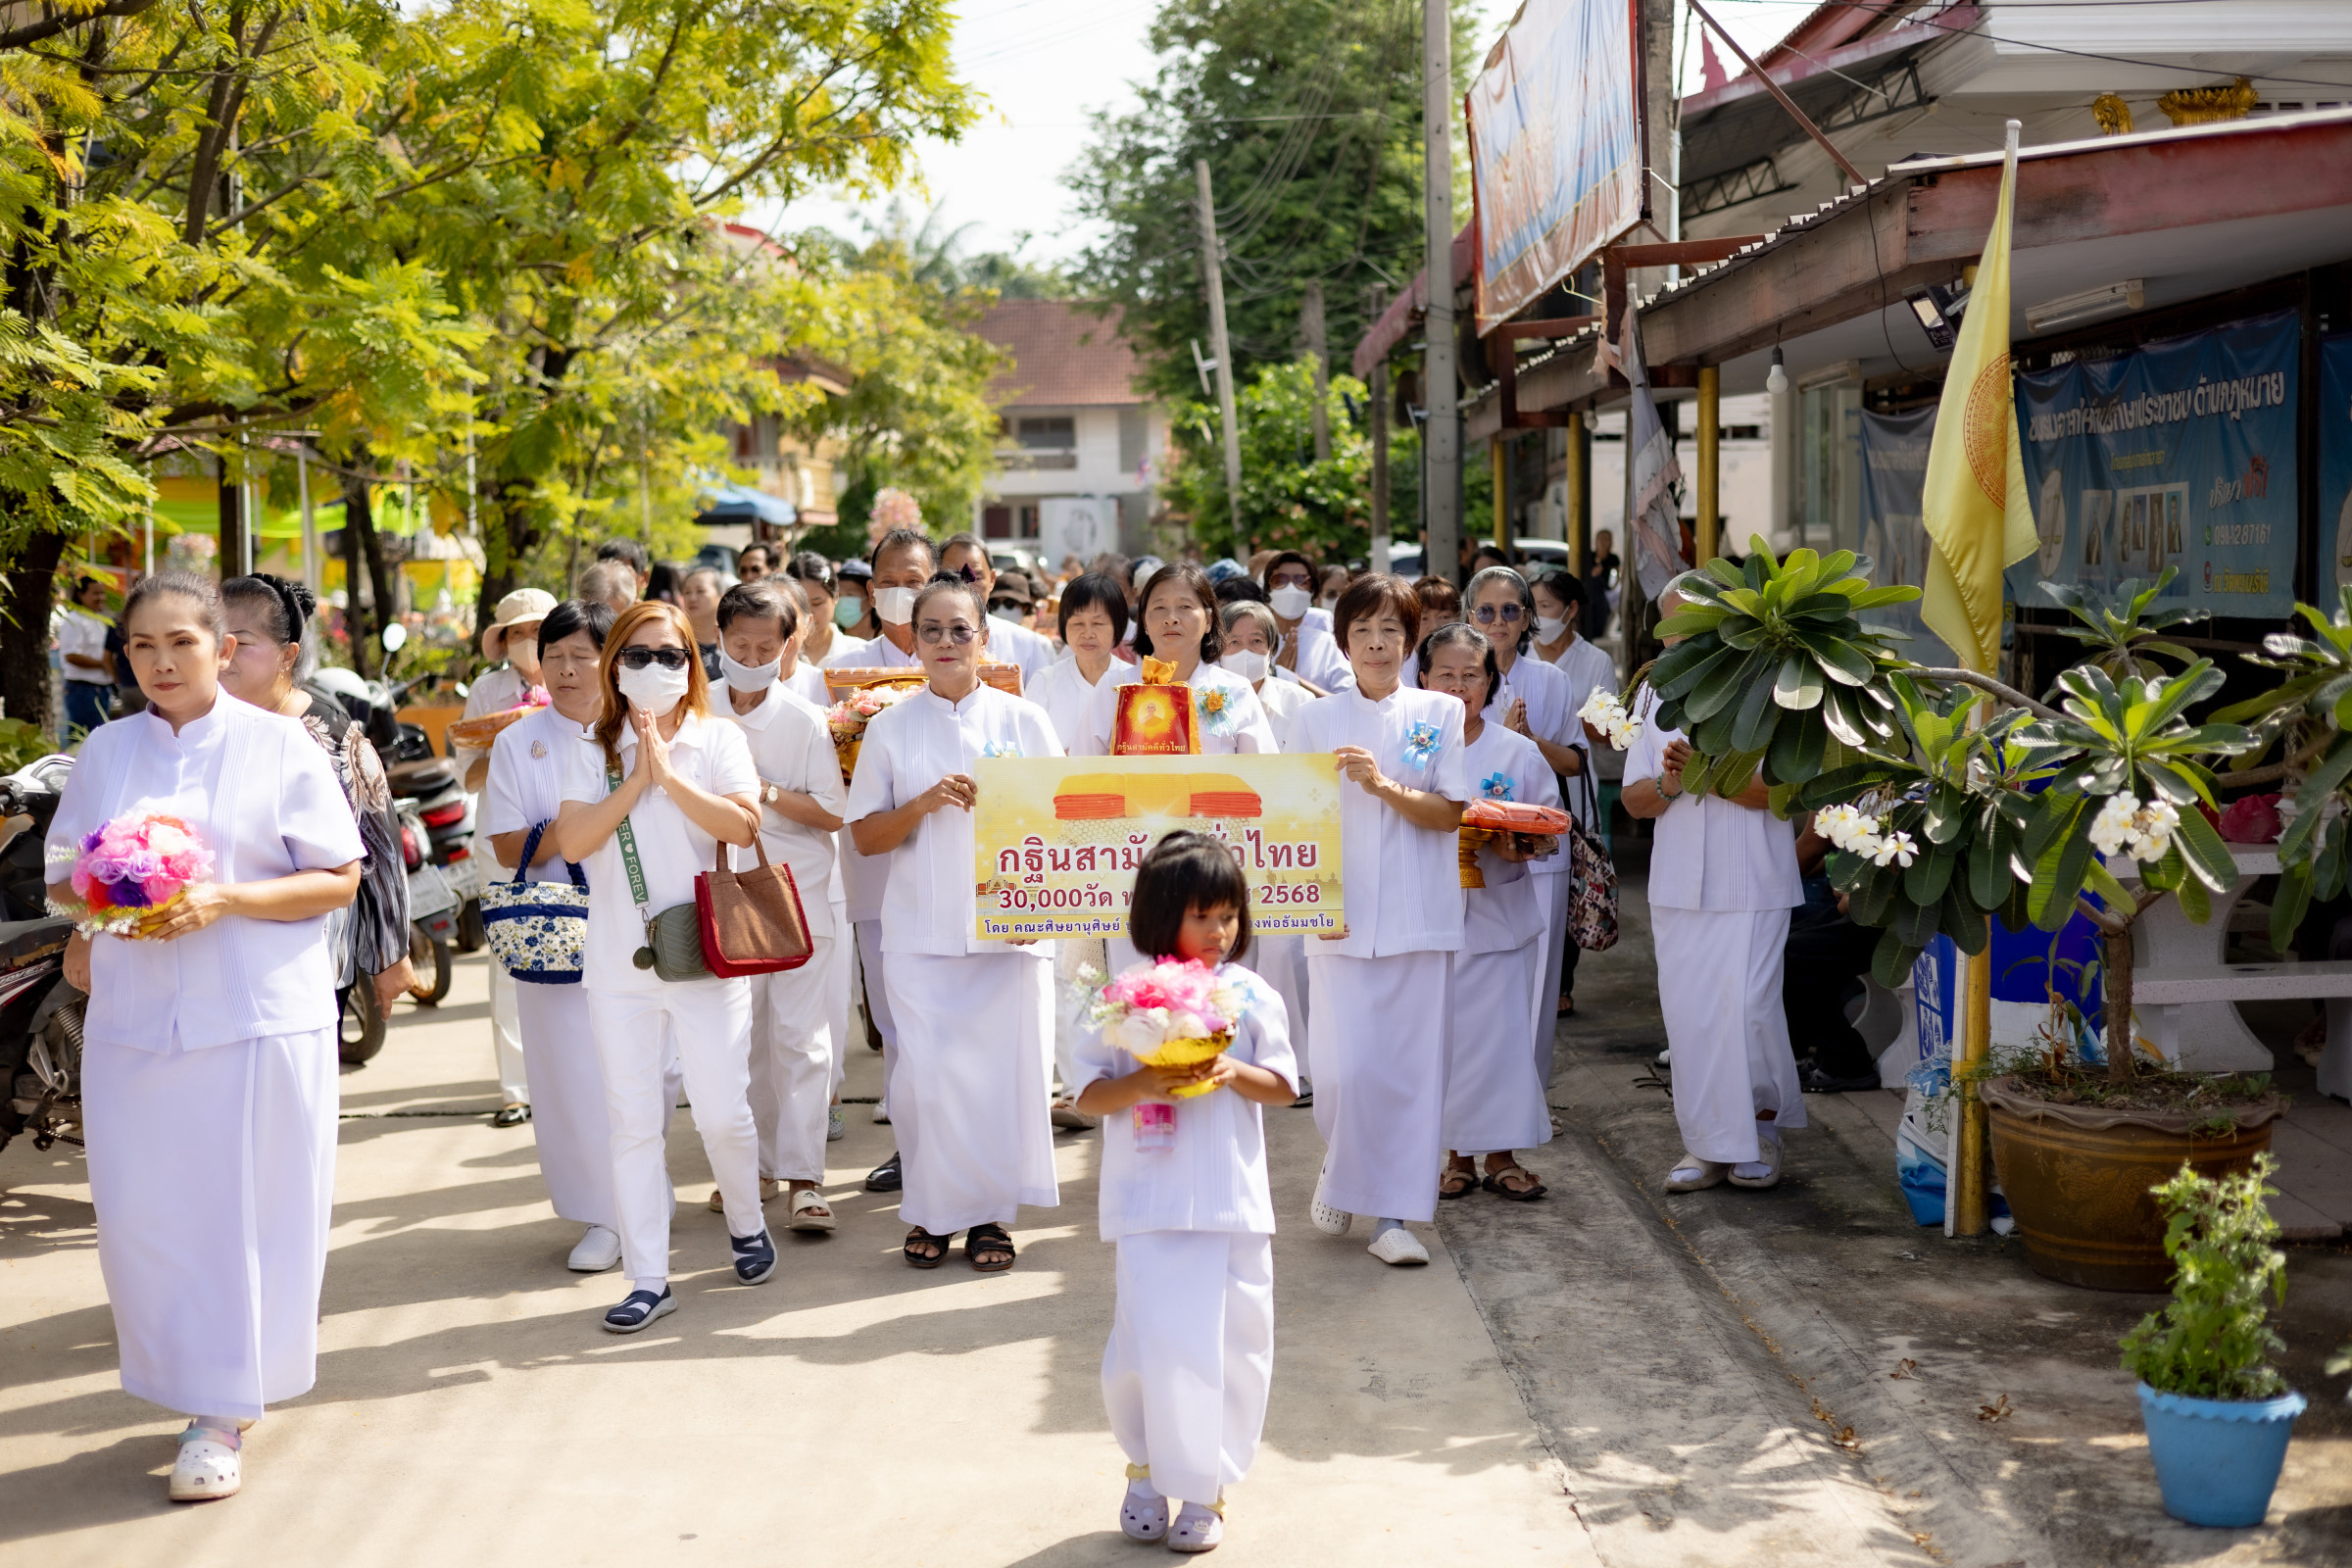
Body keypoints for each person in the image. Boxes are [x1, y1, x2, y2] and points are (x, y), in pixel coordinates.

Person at [47, 571, 364, 1503]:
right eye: (141, 647)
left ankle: (220, 1411)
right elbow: (67, 876)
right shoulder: (104, 750)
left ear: (222, 649)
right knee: (146, 1217)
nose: (160, 662)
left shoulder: (281, 747)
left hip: (256, 1019)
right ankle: (188, 1383)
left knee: (241, 1215)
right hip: (138, 1021)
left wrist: (223, 896)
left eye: (180, 642)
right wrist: (100, 898)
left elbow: (338, 875)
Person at [1070, 832, 1298, 1552]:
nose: (1218, 932)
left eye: (1229, 916)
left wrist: (1232, 1071)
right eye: (1202, 916)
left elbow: (1286, 1087)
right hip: (1149, 1201)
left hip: (1231, 1200)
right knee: (1149, 1342)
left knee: (1232, 1344)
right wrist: (1139, 1081)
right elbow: (1087, 1095)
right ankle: (1144, 1470)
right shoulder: (1124, 997)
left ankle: (1208, 1487)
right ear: (1159, 914)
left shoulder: (1253, 993)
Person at [554, 601, 775, 1332]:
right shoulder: (591, 746)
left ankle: (745, 1220)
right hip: (620, 965)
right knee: (633, 1125)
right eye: (638, 655)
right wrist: (635, 777)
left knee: (721, 1112)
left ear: (692, 665)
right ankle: (648, 1276)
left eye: (671, 656)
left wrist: (672, 778)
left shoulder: (719, 738)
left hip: (709, 955)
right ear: (615, 664)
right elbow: (577, 841)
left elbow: (743, 825)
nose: (654, 669)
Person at [844, 575, 1064, 1272]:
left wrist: (1043, 909)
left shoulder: (1023, 721)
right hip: (921, 937)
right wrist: (923, 803)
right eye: (931, 630)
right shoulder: (890, 726)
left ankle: (992, 1217)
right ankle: (935, 1214)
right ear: (913, 639)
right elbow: (866, 837)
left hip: (1010, 938)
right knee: (928, 1085)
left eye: (958, 629)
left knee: (1002, 1081)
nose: (944, 642)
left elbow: (1062, 826)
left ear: (984, 638)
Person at [1288, 574, 1468, 1266]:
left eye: (1390, 631)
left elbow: (1450, 811)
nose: (1376, 645)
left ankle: (1394, 1216)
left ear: (1410, 639)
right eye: (1362, 632)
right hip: (1339, 917)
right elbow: (1296, 818)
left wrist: (1385, 786)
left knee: (1409, 1071)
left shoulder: (1439, 714)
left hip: (1418, 916)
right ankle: (1342, 1167)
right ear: (1343, 644)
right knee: (1341, 1072)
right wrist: (1314, 900)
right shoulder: (1315, 718)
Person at [1622, 573, 1805, 1194]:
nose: (1677, 637)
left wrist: (1709, 774)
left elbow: (1784, 795)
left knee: (1751, 1012)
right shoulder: (1654, 695)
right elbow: (1634, 800)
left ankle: (1761, 1132)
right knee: (1692, 1017)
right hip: (1678, 885)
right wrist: (1674, 785)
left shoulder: (1774, 683)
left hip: (1754, 879)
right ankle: (1703, 1146)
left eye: (1690, 624)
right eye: (1668, 625)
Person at [482, 598, 630, 1274]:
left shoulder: (638, 730)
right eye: (554, 655)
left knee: (641, 1067)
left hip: (637, 918)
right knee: (569, 1073)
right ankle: (601, 1212)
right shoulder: (520, 740)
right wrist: (574, 830)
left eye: (581, 654)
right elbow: (506, 839)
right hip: (558, 927)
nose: (566, 669)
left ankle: (641, 1200)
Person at [712, 581, 848, 1233]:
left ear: (788, 647)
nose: (752, 655)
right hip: (720, 898)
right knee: (741, 1042)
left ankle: (804, 1178)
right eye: (740, 644)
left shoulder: (803, 719)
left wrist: (763, 792)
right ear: (718, 640)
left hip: (795, 896)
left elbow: (832, 813)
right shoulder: (697, 711)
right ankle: (754, 1170)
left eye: (766, 645)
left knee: (800, 1038)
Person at [218, 573, 416, 1014]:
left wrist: (390, 954)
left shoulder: (334, 737)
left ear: (287, 656)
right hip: (219, 954)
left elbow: (379, 848)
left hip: (312, 958)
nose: (223, 657)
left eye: (242, 643)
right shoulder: (198, 726)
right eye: (214, 641)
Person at [1419, 623, 1555, 1203]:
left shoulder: (1516, 751)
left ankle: (1501, 1155)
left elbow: (1549, 830)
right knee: (1444, 1043)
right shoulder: (1411, 752)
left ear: (1491, 682)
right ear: (1422, 680)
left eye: (1470, 674)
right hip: (1430, 920)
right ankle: (1454, 1155)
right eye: (1445, 674)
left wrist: (1517, 843)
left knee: (1500, 1042)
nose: (1457, 685)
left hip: (1500, 918)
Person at [822, 528, 937, 1194]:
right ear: (870, 591)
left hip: (954, 861)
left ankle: (958, 1139)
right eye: (889, 581)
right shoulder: (841, 674)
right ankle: (911, 1143)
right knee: (895, 1017)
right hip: (875, 867)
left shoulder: (962, 654)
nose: (902, 592)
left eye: (915, 578)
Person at [1462, 565, 1588, 1063]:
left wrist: (1529, 743)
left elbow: (1576, 763)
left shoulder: (1551, 681)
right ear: (1470, 616)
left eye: (1510, 610)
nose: (1499, 621)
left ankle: (1529, 1097)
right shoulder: (1448, 675)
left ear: (1526, 618)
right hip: (1466, 852)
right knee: (1474, 979)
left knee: (1538, 978)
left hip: (1536, 851)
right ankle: (1470, 1110)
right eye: (1487, 611)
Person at [1025, 572, 1138, 1127]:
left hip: (1130, 836)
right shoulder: (1043, 683)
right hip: (1064, 836)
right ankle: (1079, 1086)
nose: (1088, 633)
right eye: (1077, 623)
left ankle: (1126, 1074)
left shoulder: (1138, 682)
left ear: (1119, 627)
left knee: (1124, 957)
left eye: (1099, 623)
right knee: (1072, 962)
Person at [457, 587, 556, 1129]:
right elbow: (467, 774)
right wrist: (506, 739)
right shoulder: (486, 691)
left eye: (538, 630)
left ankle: (568, 1075)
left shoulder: (578, 679)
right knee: (510, 963)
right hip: (505, 841)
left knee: (579, 952)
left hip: (570, 836)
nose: (529, 642)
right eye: (517, 633)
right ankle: (516, 1090)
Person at [1072, 562, 1278, 761]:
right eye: (1159, 607)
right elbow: (1080, 768)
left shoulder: (1236, 690)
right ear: (1144, 621)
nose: (1171, 618)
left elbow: (1263, 776)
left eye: (1185, 606)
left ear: (1209, 621)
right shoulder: (1114, 688)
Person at [1530, 568, 1618, 1017]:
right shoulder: (1517, 653)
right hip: (1526, 788)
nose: (1537, 617)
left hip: (1574, 788)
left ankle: (1562, 982)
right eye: (1535, 607)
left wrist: (1562, 725)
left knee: (1569, 881)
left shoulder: (1595, 662)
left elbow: (1607, 732)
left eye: (1545, 608)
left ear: (1570, 610)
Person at [940, 532, 1055, 684]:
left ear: (992, 580)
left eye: (977, 577)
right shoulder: (924, 643)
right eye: (954, 577)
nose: (965, 586)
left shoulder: (1027, 644)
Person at [1216, 600, 1314, 749]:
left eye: (1256, 641)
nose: (1245, 651)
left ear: (1272, 647)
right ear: (1219, 647)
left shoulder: (1299, 701)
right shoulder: (1201, 698)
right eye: (1234, 642)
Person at [1260, 551, 1351, 691]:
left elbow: (1346, 702)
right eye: (1280, 580)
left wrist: (1293, 680)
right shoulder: (1251, 641)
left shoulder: (1329, 644)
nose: (1291, 587)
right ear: (1267, 591)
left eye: (1301, 581)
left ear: (1313, 593)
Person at [58, 575, 118, 741]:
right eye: (95, 593)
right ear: (81, 595)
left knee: (100, 740)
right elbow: (71, 656)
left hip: (102, 690)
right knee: (84, 741)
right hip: (82, 691)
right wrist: (104, 664)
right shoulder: (73, 620)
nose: (101, 598)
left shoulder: (98, 620)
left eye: (103, 593)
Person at [786, 551, 844, 671]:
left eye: (817, 603)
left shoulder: (858, 654)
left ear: (835, 598)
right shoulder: (777, 656)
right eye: (801, 605)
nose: (809, 613)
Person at [678, 564, 726, 679]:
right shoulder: (676, 643)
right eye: (687, 592)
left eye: (700, 591)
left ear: (721, 596)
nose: (692, 598)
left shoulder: (734, 646)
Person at [1583, 528, 1622, 640]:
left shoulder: (1613, 558)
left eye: (1606, 539)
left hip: (1604, 590)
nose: (1603, 542)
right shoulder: (1590, 556)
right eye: (1601, 539)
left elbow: (1618, 576)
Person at [834, 558, 880, 642]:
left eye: (850, 594)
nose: (843, 600)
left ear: (871, 598)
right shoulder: (831, 644)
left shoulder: (882, 643)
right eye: (839, 595)